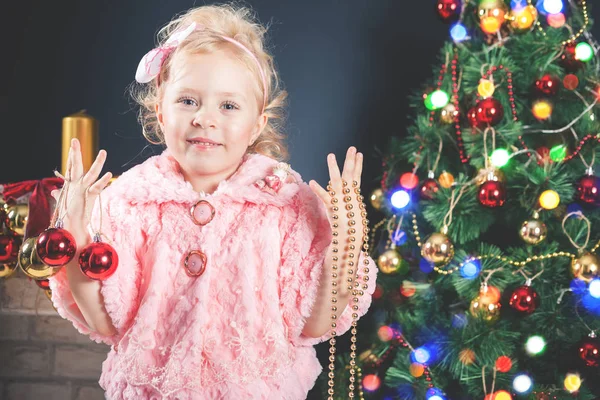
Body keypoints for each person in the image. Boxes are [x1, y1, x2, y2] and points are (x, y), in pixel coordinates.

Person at [48, 4, 377, 399]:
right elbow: (105, 323)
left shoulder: (287, 205)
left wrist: (341, 252)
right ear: (160, 110)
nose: (205, 118)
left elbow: (312, 324)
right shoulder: (129, 203)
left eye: (229, 105)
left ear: (257, 123)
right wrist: (78, 242)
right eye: (188, 101)